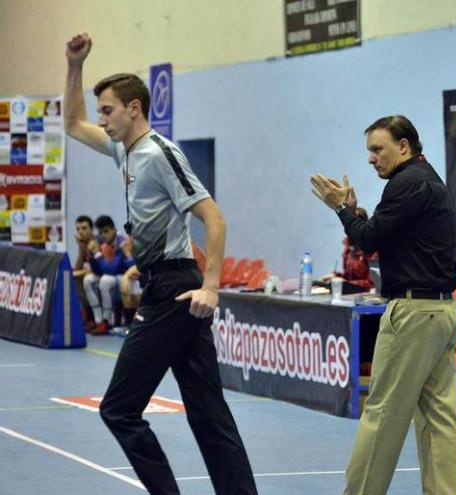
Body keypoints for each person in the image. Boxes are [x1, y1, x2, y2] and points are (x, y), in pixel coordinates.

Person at [64, 33, 257, 494]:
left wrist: (212, 285)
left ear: (134, 108)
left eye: (108, 110)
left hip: (174, 289)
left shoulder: (161, 153)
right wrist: (74, 65)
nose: (102, 120)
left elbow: (213, 217)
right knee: (209, 414)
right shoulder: (124, 150)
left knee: (118, 408)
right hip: (164, 285)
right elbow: (71, 123)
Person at [310, 115, 456, 495]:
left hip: (413, 316)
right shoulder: (428, 180)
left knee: (382, 414)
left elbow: (366, 240)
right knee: (438, 419)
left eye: (378, 150)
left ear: (404, 147)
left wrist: (341, 209)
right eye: (369, 151)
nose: (371, 159)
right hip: (442, 313)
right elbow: (385, 235)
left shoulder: (404, 183)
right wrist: (355, 213)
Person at [83, 214, 134, 334]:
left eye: (106, 231)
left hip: (129, 280)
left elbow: (113, 269)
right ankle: (98, 321)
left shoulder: (122, 242)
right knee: (88, 280)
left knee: (106, 280)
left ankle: (107, 321)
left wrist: (97, 254)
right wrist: (91, 256)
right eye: (101, 232)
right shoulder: (102, 243)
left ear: (114, 229)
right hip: (115, 281)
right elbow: (98, 271)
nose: (103, 235)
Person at [321, 207, 375, 290]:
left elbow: (371, 283)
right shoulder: (349, 249)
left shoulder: (372, 250)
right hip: (349, 293)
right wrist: (335, 276)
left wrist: (345, 283)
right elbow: (348, 277)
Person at [72, 214, 96, 329]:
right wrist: (81, 248)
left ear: (91, 230)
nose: (80, 231)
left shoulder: (96, 242)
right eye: (78, 229)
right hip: (90, 275)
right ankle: (87, 314)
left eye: (84, 228)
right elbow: (77, 268)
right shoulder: (83, 245)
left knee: (83, 278)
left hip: (101, 275)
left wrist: (77, 273)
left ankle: (93, 317)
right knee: (75, 277)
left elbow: (94, 268)